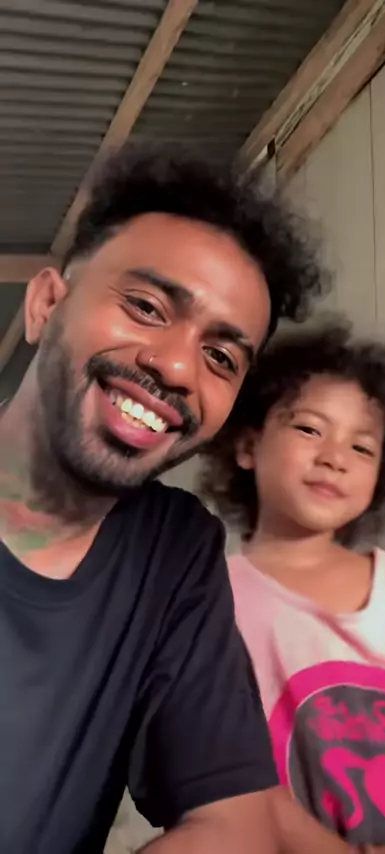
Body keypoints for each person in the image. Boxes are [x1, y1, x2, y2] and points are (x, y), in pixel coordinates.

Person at [0, 142, 326, 853]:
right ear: (46, 304)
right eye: (146, 307)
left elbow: (234, 822)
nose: (177, 367)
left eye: (221, 358)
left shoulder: (174, 551)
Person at [200, 322, 385, 853]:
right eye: (310, 429)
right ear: (248, 445)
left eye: (362, 447)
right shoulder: (214, 601)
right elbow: (232, 771)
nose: (336, 457)